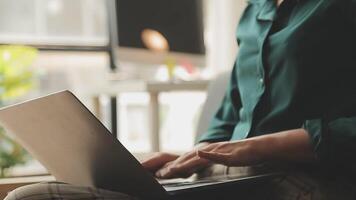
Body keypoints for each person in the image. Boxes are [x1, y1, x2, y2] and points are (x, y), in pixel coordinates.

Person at [5, 0, 356, 199]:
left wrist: (259, 146)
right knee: (44, 191)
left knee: (30, 199)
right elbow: (231, 111)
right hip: (231, 178)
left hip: (303, 175)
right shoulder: (254, 12)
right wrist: (197, 155)